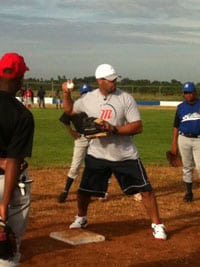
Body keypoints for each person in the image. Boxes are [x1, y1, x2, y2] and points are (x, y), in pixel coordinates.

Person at [62, 63, 167, 240]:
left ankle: (157, 225)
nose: (114, 83)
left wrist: (114, 129)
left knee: (145, 190)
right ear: (99, 81)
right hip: (98, 154)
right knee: (84, 190)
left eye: (115, 79)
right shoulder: (88, 99)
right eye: (110, 80)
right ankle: (81, 217)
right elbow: (70, 110)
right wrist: (66, 93)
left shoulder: (126, 98)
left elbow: (138, 127)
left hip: (125, 154)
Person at [0, 52, 35, 265]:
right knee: (7, 248)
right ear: (20, 80)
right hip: (8, 183)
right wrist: (4, 204)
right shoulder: (22, 115)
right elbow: (13, 161)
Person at [57, 84, 92, 203]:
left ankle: (101, 192)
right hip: (81, 138)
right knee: (75, 165)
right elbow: (65, 118)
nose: (86, 95)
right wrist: (71, 130)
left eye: (88, 93)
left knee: (98, 163)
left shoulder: (95, 105)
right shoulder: (76, 105)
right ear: (81, 94)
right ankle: (66, 191)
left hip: (95, 139)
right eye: (85, 93)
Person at [170, 82, 200, 202]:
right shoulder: (180, 107)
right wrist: (173, 143)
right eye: (185, 93)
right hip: (183, 139)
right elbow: (176, 126)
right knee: (187, 166)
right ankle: (189, 193)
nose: (188, 95)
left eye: (190, 92)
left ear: (195, 92)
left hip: (199, 139)